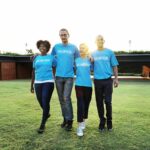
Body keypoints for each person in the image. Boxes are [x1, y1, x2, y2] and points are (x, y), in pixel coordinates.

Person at [51, 28, 80, 131]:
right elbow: (50, 59)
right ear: (59, 36)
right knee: (61, 99)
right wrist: (37, 55)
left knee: (66, 98)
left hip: (69, 77)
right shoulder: (56, 47)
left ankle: (70, 121)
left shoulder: (74, 48)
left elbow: (78, 61)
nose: (63, 36)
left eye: (65, 34)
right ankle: (65, 119)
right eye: (61, 35)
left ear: (68, 35)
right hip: (58, 77)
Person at [92, 35, 119, 132]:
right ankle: (102, 122)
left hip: (108, 80)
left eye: (101, 39)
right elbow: (90, 67)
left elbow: (115, 66)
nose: (99, 41)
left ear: (104, 41)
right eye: (98, 40)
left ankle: (109, 122)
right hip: (97, 81)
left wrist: (116, 79)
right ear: (95, 41)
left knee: (108, 101)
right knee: (99, 102)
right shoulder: (93, 53)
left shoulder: (109, 52)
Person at [31, 40, 55, 133]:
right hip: (37, 82)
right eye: (41, 46)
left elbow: (55, 68)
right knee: (40, 100)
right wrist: (31, 85)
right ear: (38, 47)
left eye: (44, 46)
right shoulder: (36, 58)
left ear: (47, 48)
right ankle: (47, 113)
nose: (42, 48)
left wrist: (54, 78)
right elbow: (33, 71)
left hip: (48, 82)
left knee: (45, 100)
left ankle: (42, 124)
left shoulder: (52, 57)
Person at [75, 43, 93, 136]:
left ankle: (83, 119)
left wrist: (92, 59)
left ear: (86, 49)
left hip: (88, 85)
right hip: (78, 85)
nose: (81, 49)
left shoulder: (90, 59)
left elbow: (94, 69)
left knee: (86, 104)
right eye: (80, 48)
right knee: (80, 104)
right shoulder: (76, 60)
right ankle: (79, 126)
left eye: (83, 48)